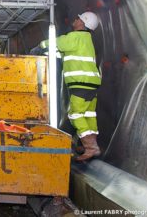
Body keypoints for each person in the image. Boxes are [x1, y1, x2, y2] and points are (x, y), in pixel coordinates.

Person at [32, 12, 101, 161]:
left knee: (75, 114)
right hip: (91, 84)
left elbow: (57, 42)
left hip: (80, 83)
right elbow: (63, 52)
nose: (75, 20)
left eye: (78, 18)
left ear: (83, 23)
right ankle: (88, 144)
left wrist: (41, 46)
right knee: (88, 114)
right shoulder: (86, 40)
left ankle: (91, 147)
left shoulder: (75, 37)